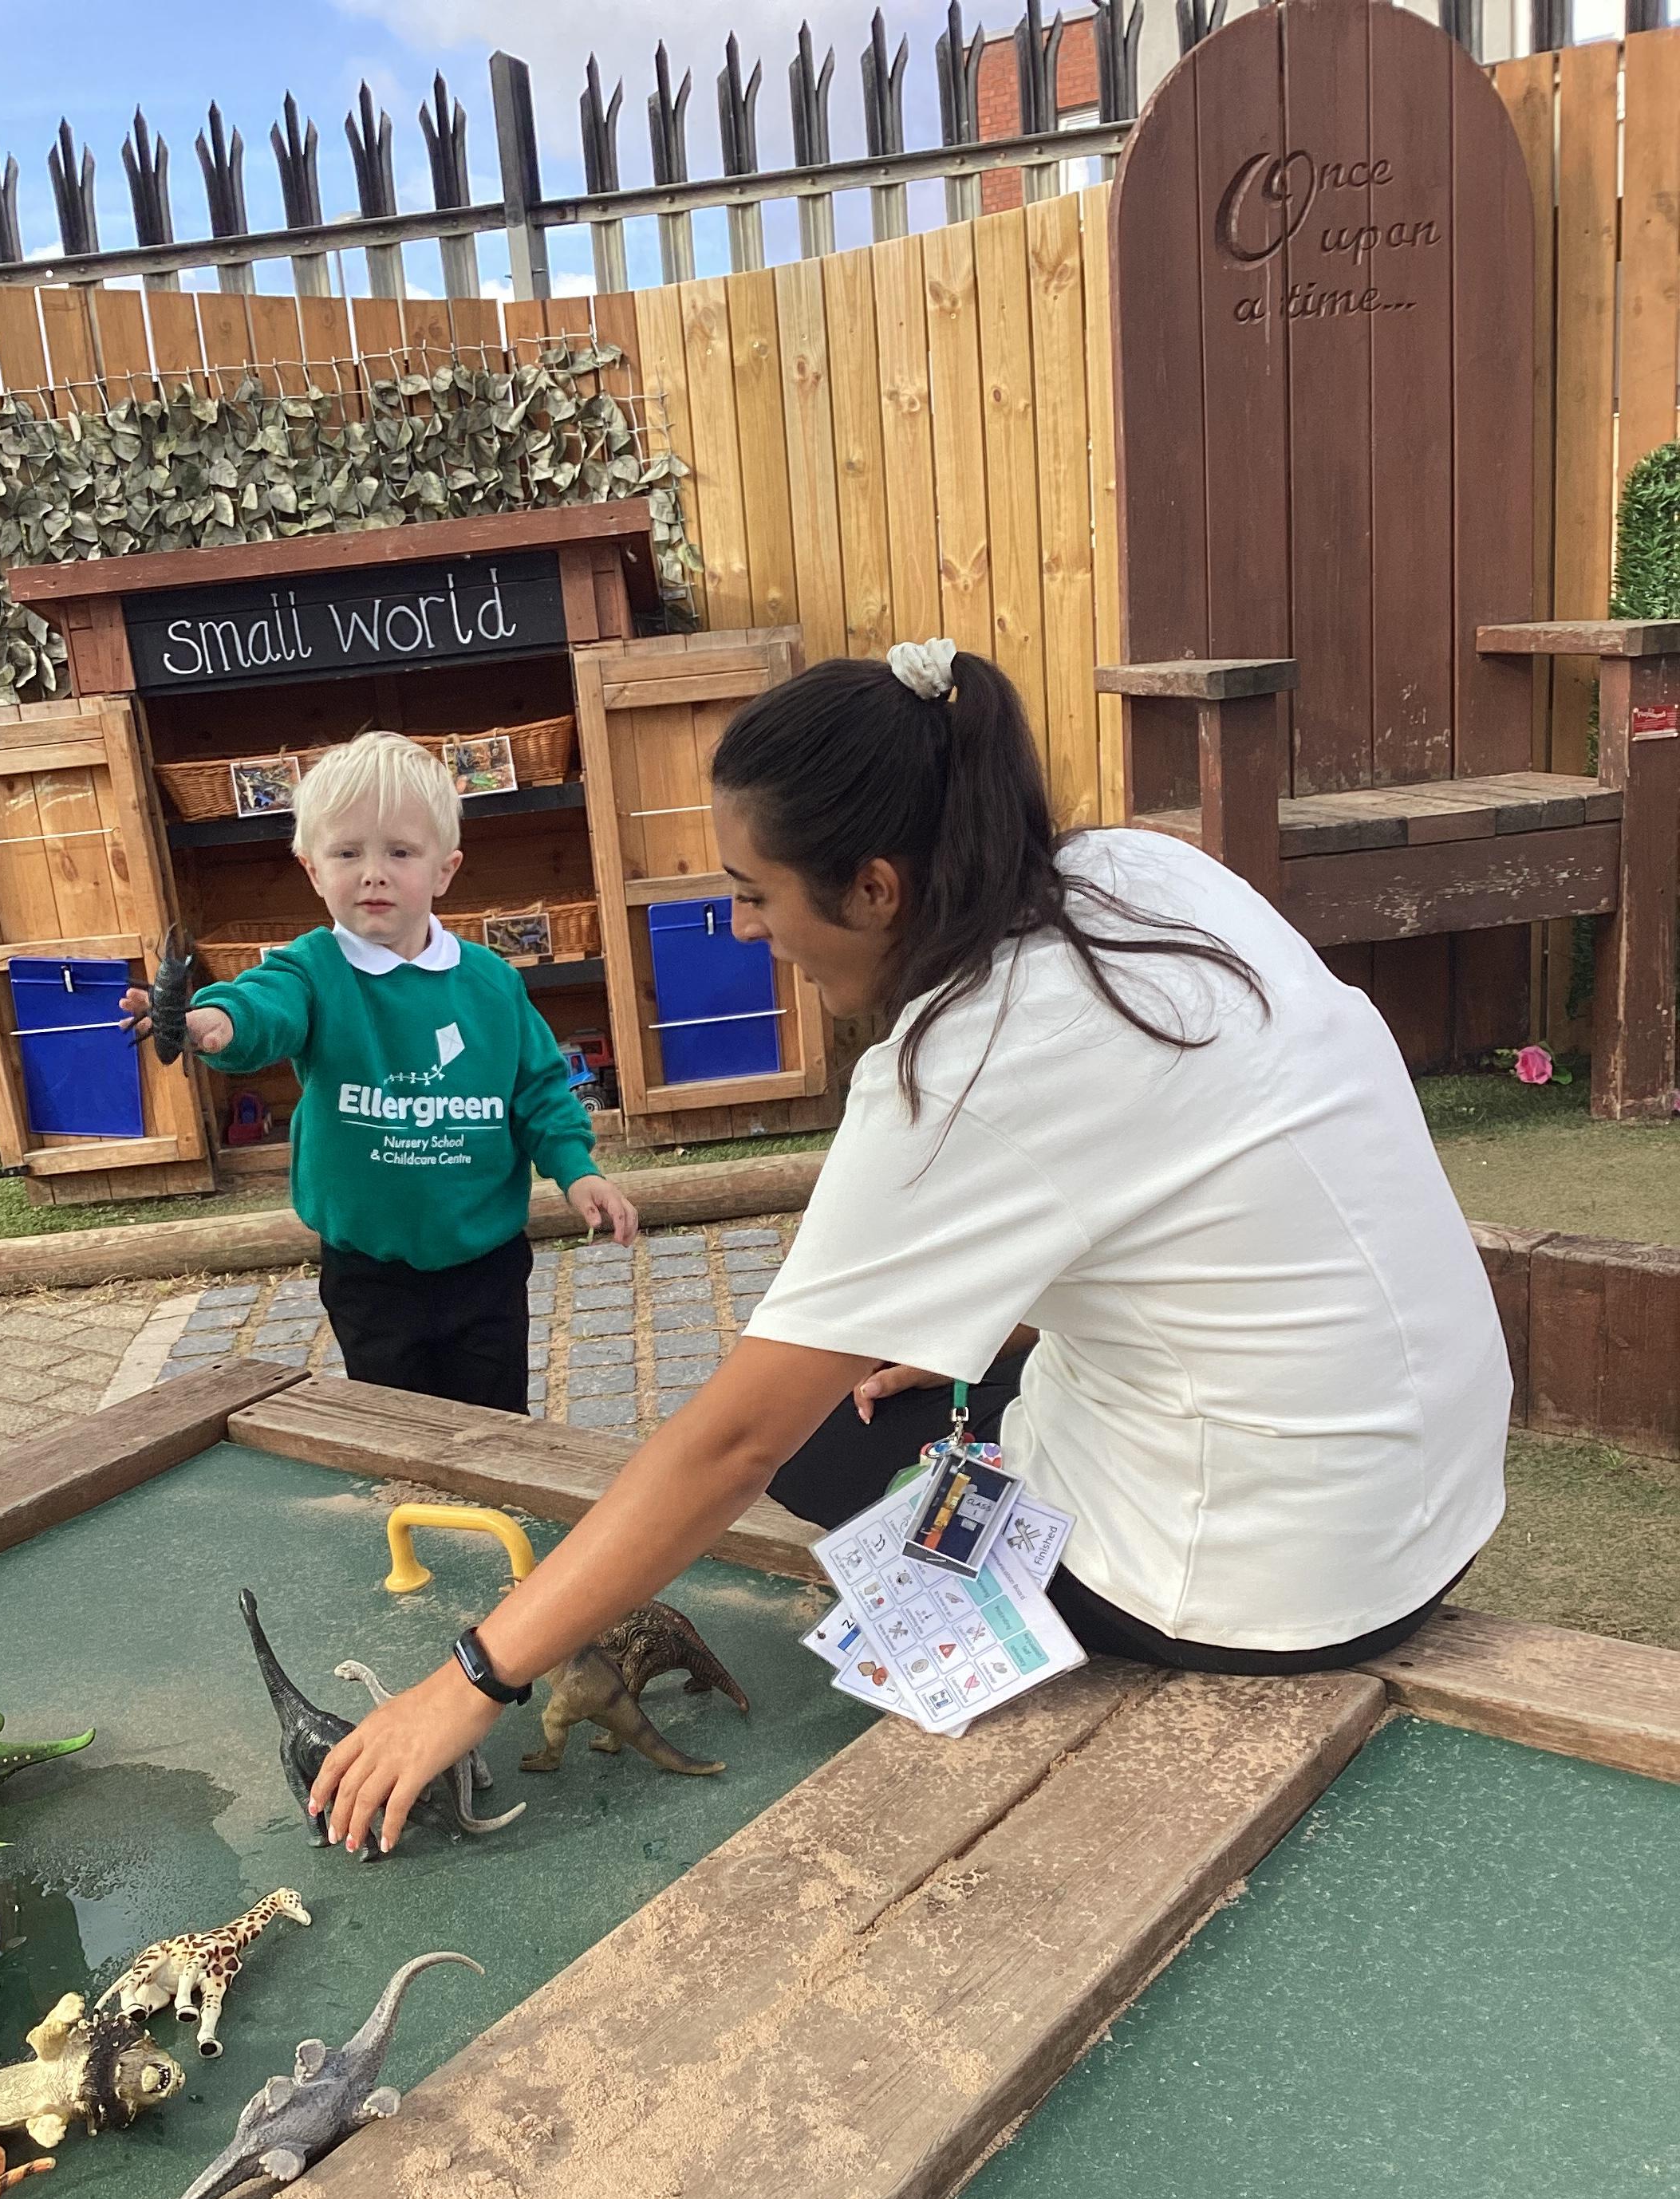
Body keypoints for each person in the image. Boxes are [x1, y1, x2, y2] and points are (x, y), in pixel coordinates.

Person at [306, 642, 1511, 1857]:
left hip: (1268, 1581)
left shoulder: (959, 1069)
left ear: (877, 889)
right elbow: (1200, 1179)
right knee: (883, 1385)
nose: (745, 925)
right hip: (1432, 1489)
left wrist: (470, 1680)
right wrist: (984, 1321)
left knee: (820, 1439)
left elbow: (730, 1443)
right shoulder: (1143, 871)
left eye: (758, 893)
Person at [123, 731, 637, 1410]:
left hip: (484, 1259)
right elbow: (263, 1006)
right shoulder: (312, 969)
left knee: (495, 1423)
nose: (374, 873)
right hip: (367, 1269)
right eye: (347, 853)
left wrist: (577, 1170)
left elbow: (539, 1090)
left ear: (445, 870)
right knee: (395, 1424)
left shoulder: (490, 982)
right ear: (312, 870)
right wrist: (217, 1021)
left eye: (400, 852)